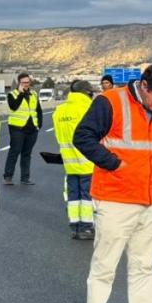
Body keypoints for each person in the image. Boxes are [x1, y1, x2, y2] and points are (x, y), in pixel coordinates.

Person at [73, 63, 152, 303]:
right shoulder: (111, 102)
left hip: (148, 200)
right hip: (115, 198)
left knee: (144, 265)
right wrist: (114, 164)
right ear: (144, 86)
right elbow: (82, 137)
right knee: (104, 266)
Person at [51, 80, 97, 240]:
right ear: (86, 92)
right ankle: (86, 228)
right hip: (88, 161)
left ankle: (75, 226)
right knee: (86, 196)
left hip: (69, 161)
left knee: (73, 196)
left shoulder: (59, 110)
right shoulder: (89, 109)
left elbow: (58, 135)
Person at [3, 72, 42, 184]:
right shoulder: (12, 94)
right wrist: (20, 94)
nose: (26, 84)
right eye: (23, 82)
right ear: (19, 83)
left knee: (27, 154)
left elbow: (38, 110)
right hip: (17, 129)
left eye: (27, 82)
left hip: (32, 129)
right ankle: (8, 176)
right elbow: (13, 106)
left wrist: (39, 125)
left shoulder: (34, 94)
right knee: (14, 151)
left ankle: (25, 178)